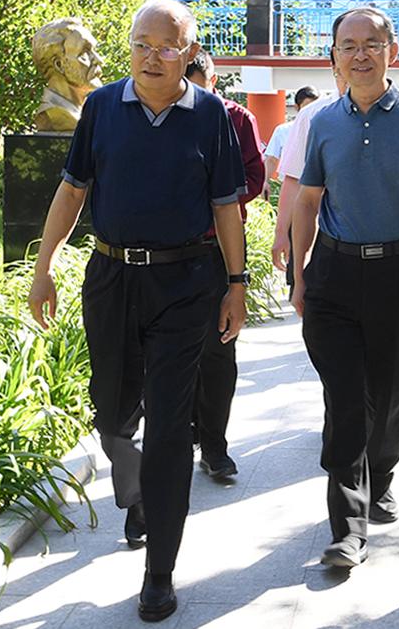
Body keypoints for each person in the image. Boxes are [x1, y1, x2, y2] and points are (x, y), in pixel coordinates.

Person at [27, 0, 249, 622]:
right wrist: (43, 269)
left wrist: (236, 283)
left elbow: (226, 206)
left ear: (189, 52)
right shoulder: (101, 108)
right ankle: (141, 494)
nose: (152, 57)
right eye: (141, 44)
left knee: (172, 428)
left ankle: (160, 573)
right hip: (112, 278)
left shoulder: (210, 116)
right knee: (112, 415)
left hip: (187, 281)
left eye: (167, 46)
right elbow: (72, 190)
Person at [292, 7, 399, 568]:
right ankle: (347, 527)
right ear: (334, 55)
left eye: (371, 43)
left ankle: (381, 474)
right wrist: (299, 273)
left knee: (389, 392)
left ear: (392, 51)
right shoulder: (322, 122)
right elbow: (308, 201)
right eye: (348, 45)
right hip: (334, 273)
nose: (359, 54)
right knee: (344, 399)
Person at [184, 50, 266, 480]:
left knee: (218, 348)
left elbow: (254, 177)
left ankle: (215, 444)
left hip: (219, 246)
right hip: (168, 250)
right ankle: (184, 433)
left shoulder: (236, 119)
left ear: (213, 81)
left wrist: (214, 196)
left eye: (200, 88)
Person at [271, 66, 348, 294]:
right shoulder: (313, 115)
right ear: (334, 67)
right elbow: (293, 179)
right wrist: (281, 233)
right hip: (322, 239)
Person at [31, 17, 104, 131]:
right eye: (84, 52)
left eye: (94, 51)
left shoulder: (90, 114)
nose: (99, 60)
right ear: (59, 65)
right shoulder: (55, 114)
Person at [263, 85, 320, 198]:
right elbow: (272, 159)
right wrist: (265, 181)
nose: (311, 112)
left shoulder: (326, 130)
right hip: (291, 186)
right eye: (307, 107)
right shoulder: (283, 130)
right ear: (297, 107)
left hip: (318, 188)